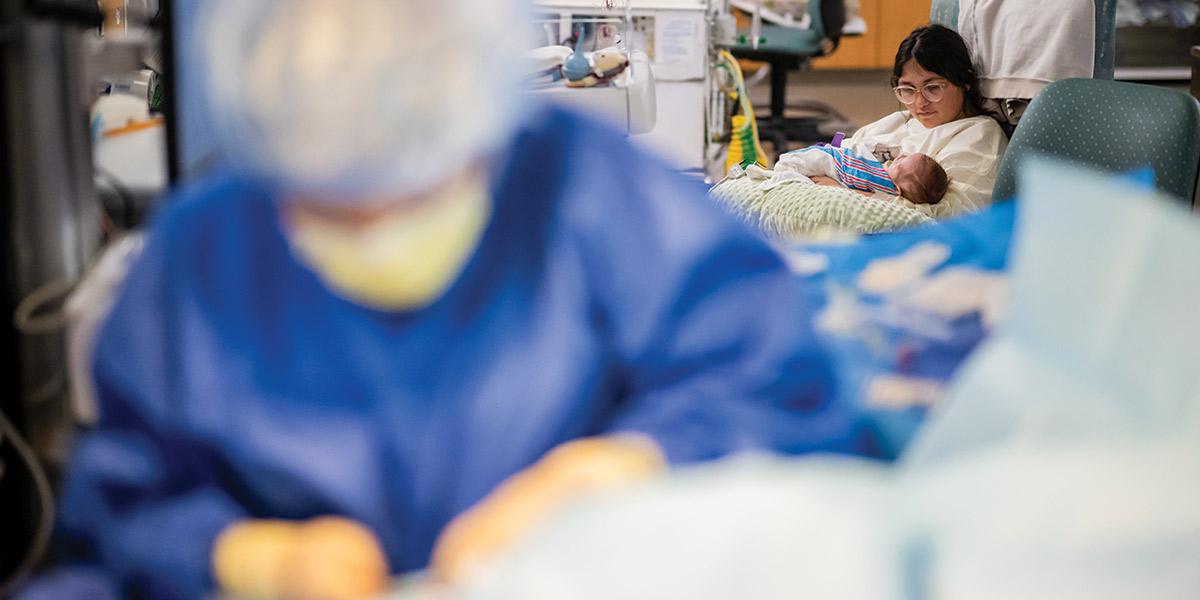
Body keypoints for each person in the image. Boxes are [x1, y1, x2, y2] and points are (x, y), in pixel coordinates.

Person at [25, 0, 872, 598]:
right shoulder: (206, 251)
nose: (373, 224)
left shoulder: (589, 196)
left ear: (481, 127)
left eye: (414, 191)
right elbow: (123, 502)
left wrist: (619, 471)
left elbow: (778, 388)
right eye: (328, 204)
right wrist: (248, 558)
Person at [768, 145, 951, 205]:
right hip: (830, 158)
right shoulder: (880, 170)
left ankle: (783, 178)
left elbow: (870, 197)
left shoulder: (888, 192)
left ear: (898, 189)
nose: (900, 157)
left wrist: (837, 188)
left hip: (823, 163)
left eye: (901, 164)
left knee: (793, 170)